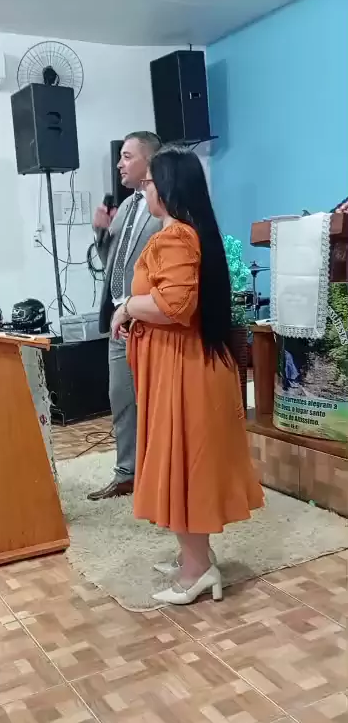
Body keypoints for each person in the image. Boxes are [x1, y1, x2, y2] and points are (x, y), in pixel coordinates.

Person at [111, 144, 264, 605]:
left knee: (182, 463)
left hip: (184, 370)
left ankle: (197, 569)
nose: (144, 191)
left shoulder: (176, 236)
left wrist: (127, 307)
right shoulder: (187, 233)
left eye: (149, 183)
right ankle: (193, 556)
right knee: (180, 459)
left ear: (169, 187)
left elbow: (173, 305)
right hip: (183, 365)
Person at [89, 131, 162, 501]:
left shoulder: (165, 205)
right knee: (120, 397)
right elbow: (112, 265)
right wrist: (101, 233)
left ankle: (160, 475)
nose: (120, 163)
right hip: (120, 320)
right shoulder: (126, 208)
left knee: (155, 401)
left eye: (128, 156)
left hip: (151, 320)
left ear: (150, 160)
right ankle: (127, 473)